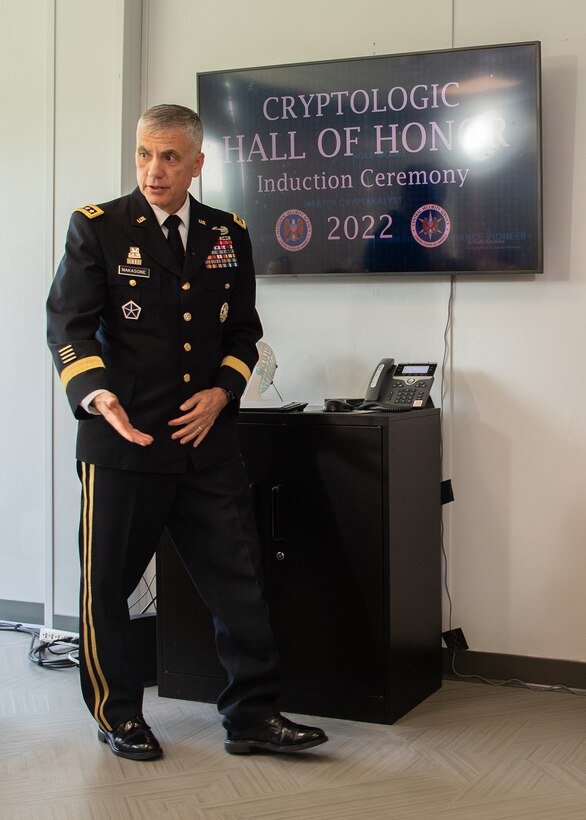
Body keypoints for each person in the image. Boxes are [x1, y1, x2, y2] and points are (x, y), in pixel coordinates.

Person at [46, 103, 327, 760]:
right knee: (107, 588)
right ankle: (119, 716)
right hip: (123, 445)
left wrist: (221, 393)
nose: (153, 170)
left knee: (240, 582)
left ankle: (254, 716)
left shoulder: (226, 233)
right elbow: (68, 325)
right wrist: (94, 393)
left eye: (169, 157)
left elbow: (243, 333)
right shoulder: (99, 229)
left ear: (198, 163)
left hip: (205, 445)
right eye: (144, 153)